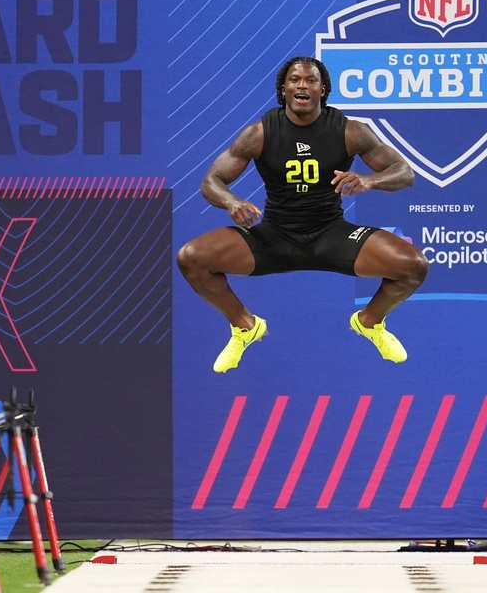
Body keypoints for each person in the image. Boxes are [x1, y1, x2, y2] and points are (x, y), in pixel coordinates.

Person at [176, 55, 429, 372]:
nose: (302, 85)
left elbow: (404, 172)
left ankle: (370, 322)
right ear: (283, 89)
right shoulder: (258, 134)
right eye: (295, 80)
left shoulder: (350, 131)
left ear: (323, 90)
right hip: (274, 236)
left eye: (311, 80)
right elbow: (212, 181)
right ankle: (244, 326)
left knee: (413, 266)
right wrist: (231, 202)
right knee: (192, 257)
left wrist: (370, 180)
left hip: (332, 235)